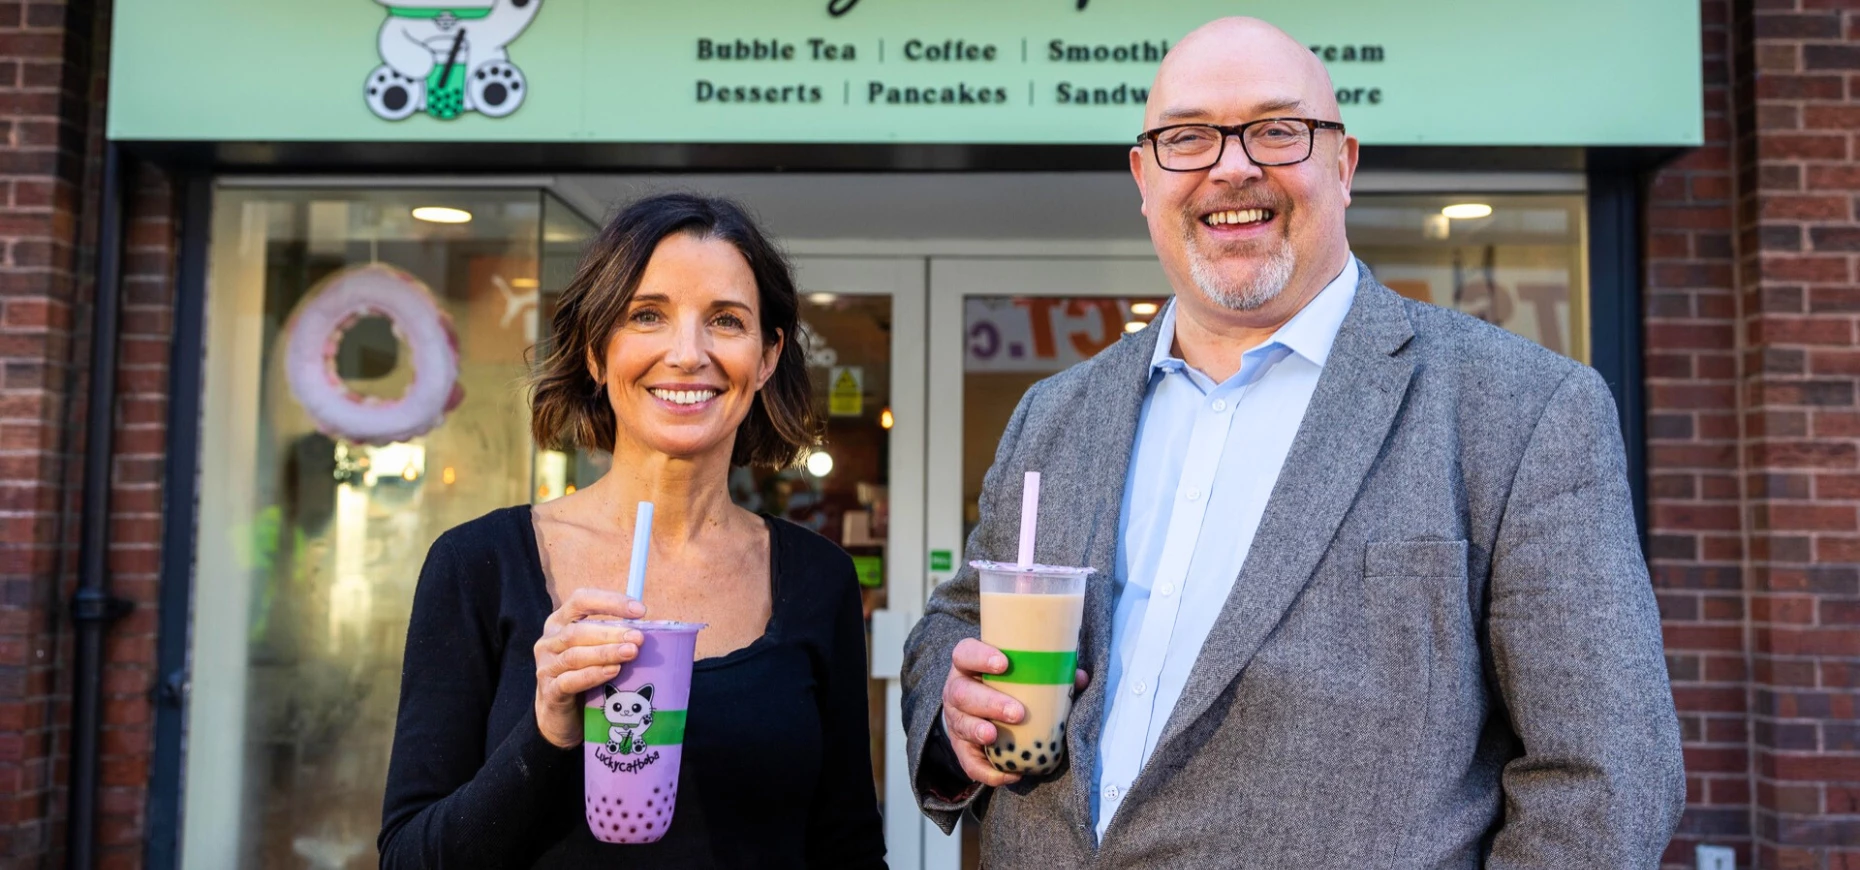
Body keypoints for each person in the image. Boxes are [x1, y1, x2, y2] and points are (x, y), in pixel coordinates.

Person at [901, 17, 1685, 869]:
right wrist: (950, 710)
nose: (1231, 167)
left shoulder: (1522, 409)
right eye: (1188, 137)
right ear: (1143, 176)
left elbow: (1607, 778)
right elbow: (956, 622)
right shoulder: (1054, 414)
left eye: (1278, 130)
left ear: (1342, 165)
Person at [380, 193, 887, 868]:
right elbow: (410, 858)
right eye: (646, 315)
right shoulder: (479, 566)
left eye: (726, 321)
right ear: (595, 349)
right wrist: (548, 732)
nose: (687, 353)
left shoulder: (818, 579)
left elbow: (845, 846)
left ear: (767, 357)